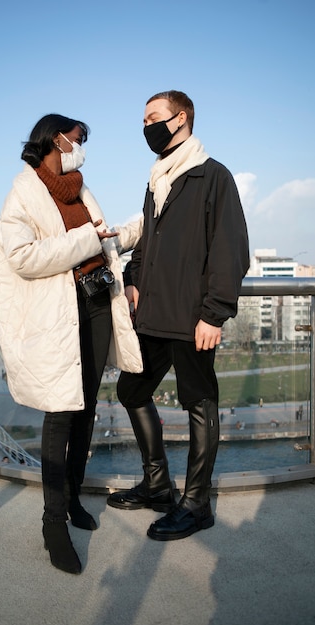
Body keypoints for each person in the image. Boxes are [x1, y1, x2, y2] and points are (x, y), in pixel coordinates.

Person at [0, 113, 143, 574]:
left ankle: (74, 499)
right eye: (78, 139)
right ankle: (52, 522)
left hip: (96, 304)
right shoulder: (23, 191)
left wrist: (128, 232)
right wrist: (86, 239)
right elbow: (22, 258)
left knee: (85, 410)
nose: (82, 147)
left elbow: (100, 243)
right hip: (57, 317)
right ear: (54, 139)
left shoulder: (79, 187)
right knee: (60, 416)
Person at [107, 90, 249, 541]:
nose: (145, 126)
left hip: (192, 320)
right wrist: (132, 274)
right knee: (131, 389)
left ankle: (197, 503)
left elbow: (231, 251)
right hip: (152, 314)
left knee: (200, 405)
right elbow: (149, 240)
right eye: (143, 119)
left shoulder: (212, 177)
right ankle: (157, 486)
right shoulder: (157, 179)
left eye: (153, 117)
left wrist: (214, 314)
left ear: (181, 117)